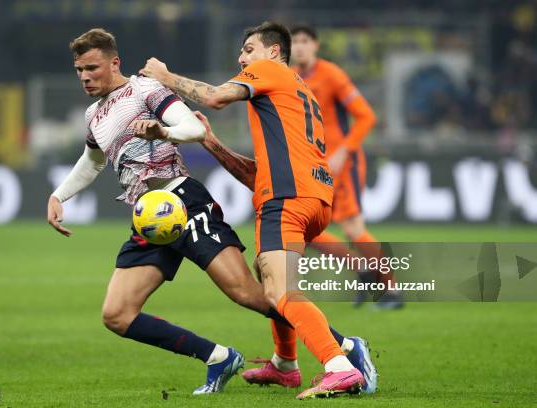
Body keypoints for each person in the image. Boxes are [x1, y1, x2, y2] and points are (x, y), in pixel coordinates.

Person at [47, 27, 298, 395]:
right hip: (149, 219)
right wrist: (59, 195)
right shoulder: (93, 115)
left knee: (248, 294)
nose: (85, 77)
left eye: (92, 68)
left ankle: (340, 348)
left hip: (181, 200)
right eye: (79, 70)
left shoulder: (144, 91)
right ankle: (218, 357)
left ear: (114, 63)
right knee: (116, 315)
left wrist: (162, 132)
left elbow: (192, 126)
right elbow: (92, 161)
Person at [139, 21, 376, 398]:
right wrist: (212, 143)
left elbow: (216, 97)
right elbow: (256, 174)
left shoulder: (269, 71)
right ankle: (285, 365)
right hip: (312, 198)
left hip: (287, 201)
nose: (241, 57)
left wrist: (165, 77)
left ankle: (340, 363)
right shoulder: (297, 94)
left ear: (273, 51)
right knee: (267, 276)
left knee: (282, 291)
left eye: (248, 49)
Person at [291, 25, 403, 309]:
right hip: (313, 166)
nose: (300, 46)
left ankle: (391, 289)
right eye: (295, 42)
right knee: (306, 230)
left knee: (353, 229)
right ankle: (361, 269)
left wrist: (344, 152)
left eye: (305, 41)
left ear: (315, 45)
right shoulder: (289, 79)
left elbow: (366, 116)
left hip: (344, 164)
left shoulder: (332, 75)